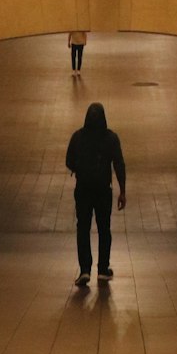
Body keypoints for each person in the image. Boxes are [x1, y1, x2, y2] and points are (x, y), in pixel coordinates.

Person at [65, 101, 126, 288]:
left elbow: (69, 161)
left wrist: (80, 169)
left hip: (83, 189)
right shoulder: (110, 138)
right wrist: (122, 191)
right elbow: (119, 165)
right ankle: (102, 270)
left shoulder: (77, 137)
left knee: (83, 228)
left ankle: (84, 269)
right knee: (104, 228)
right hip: (102, 189)